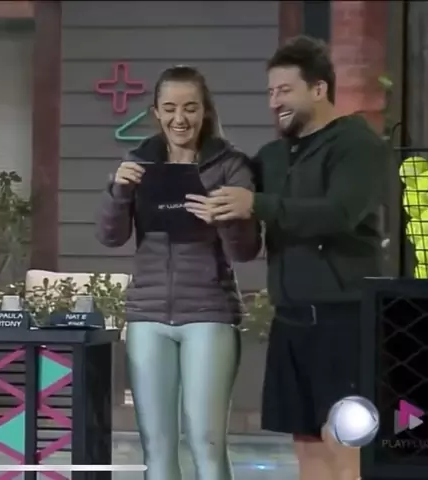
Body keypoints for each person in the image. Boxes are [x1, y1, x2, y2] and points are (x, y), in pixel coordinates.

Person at [185, 36, 389, 480]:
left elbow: (340, 213)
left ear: (319, 89)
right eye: (270, 92)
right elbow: (233, 187)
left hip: (345, 320)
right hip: (290, 320)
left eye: (284, 90)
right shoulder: (271, 157)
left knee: (345, 440)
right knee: (306, 444)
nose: (274, 101)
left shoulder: (357, 144)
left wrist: (256, 204)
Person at [96, 65, 261, 480]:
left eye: (190, 107)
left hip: (208, 313)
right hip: (147, 316)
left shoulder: (231, 165)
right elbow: (111, 237)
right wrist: (119, 191)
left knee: (207, 443)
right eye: (169, 108)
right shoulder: (139, 163)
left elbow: (245, 251)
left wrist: (224, 218)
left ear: (205, 111)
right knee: (157, 448)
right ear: (156, 113)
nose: (179, 118)